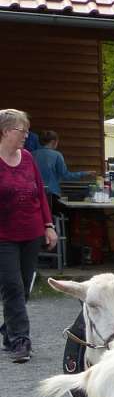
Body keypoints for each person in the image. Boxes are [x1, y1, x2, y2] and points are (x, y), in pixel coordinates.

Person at [0, 108, 57, 363]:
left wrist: (48, 225)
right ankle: (22, 340)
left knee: (23, 287)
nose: (26, 135)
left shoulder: (29, 158)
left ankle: (9, 330)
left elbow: (40, 194)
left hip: (31, 232)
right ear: (6, 131)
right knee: (12, 285)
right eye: (22, 130)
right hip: (4, 235)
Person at [33, 130, 81, 217]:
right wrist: (84, 174)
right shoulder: (56, 155)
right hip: (51, 195)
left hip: (34, 194)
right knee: (61, 216)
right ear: (53, 142)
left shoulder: (32, 155)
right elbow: (66, 175)